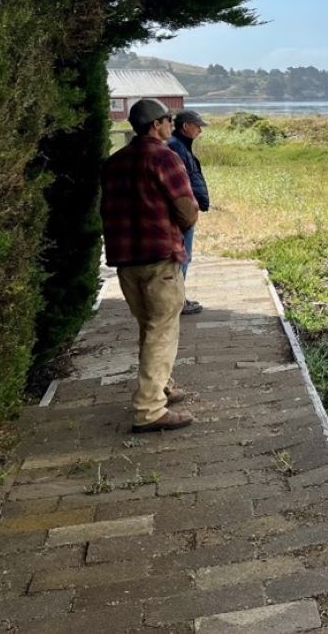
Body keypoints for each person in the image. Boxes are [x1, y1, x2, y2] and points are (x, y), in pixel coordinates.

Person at [101, 98, 198, 433]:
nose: (172, 124)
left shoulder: (114, 162)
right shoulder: (164, 157)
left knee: (149, 327)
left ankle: (163, 386)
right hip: (159, 258)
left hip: (125, 260)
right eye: (168, 119)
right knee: (162, 330)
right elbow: (186, 209)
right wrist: (182, 228)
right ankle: (149, 409)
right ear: (156, 124)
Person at [168, 109, 210, 315]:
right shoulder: (176, 147)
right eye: (197, 126)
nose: (200, 130)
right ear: (186, 126)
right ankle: (178, 302)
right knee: (182, 255)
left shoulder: (180, 145)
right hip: (182, 211)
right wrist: (189, 207)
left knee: (183, 255)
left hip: (184, 209)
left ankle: (179, 298)